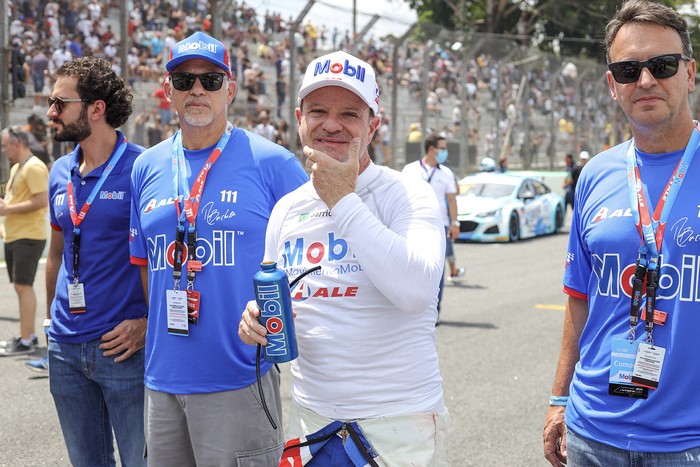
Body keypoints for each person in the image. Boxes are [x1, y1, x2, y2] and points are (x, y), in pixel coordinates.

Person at [239, 50, 450, 465]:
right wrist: (254, 320)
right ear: (300, 118)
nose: (331, 124)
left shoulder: (406, 193)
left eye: (349, 114)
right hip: (312, 419)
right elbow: (279, 298)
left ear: (373, 125)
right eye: (318, 110)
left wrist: (342, 199)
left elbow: (418, 292)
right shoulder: (285, 209)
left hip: (399, 422)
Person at [128, 31, 308, 466]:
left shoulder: (273, 163)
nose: (197, 90)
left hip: (239, 377)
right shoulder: (145, 166)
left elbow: (311, 257)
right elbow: (144, 265)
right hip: (162, 380)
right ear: (167, 89)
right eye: (184, 79)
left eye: (210, 80)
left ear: (230, 89)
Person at [543, 1, 700, 465]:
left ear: (689, 73)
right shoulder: (594, 174)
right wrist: (558, 401)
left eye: (663, 65)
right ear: (613, 85)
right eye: (629, 69)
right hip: (593, 433)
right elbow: (578, 295)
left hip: (688, 442)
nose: (646, 80)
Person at [43, 56, 148, 467]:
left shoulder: (142, 168)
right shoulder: (59, 171)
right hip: (65, 349)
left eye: (59, 102)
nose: (51, 112)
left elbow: (164, 261)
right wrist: (51, 327)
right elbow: (56, 254)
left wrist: (147, 322)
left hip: (123, 348)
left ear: (96, 109)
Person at [0, 127, 49, 357]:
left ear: (17, 143)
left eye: (5, 145)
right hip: (15, 235)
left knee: (23, 286)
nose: (3, 150)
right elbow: (13, 200)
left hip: (29, 236)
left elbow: (41, 200)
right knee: (20, 287)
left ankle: (29, 339)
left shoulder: (34, 167)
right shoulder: (18, 168)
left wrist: (7, 209)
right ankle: (24, 335)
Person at [403, 134, 463, 319]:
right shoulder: (410, 170)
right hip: (413, 224)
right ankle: (408, 308)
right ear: (431, 149)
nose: (445, 152)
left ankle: (433, 313)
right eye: (442, 148)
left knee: (437, 271)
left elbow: (452, 200)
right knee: (410, 267)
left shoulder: (446, 173)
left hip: (440, 227)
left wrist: (454, 223)